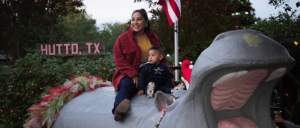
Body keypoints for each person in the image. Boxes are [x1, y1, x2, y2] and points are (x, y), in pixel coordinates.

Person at [112, 9, 173, 121]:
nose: (135, 22)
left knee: (169, 85)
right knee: (128, 85)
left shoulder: (154, 39)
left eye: (139, 19)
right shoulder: (123, 39)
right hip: (129, 75)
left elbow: (162, 59)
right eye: (133, 19)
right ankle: (119, 108)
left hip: (153, 74)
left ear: (146, 22)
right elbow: (119, 60)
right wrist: (133, 74)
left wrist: (168, 74)